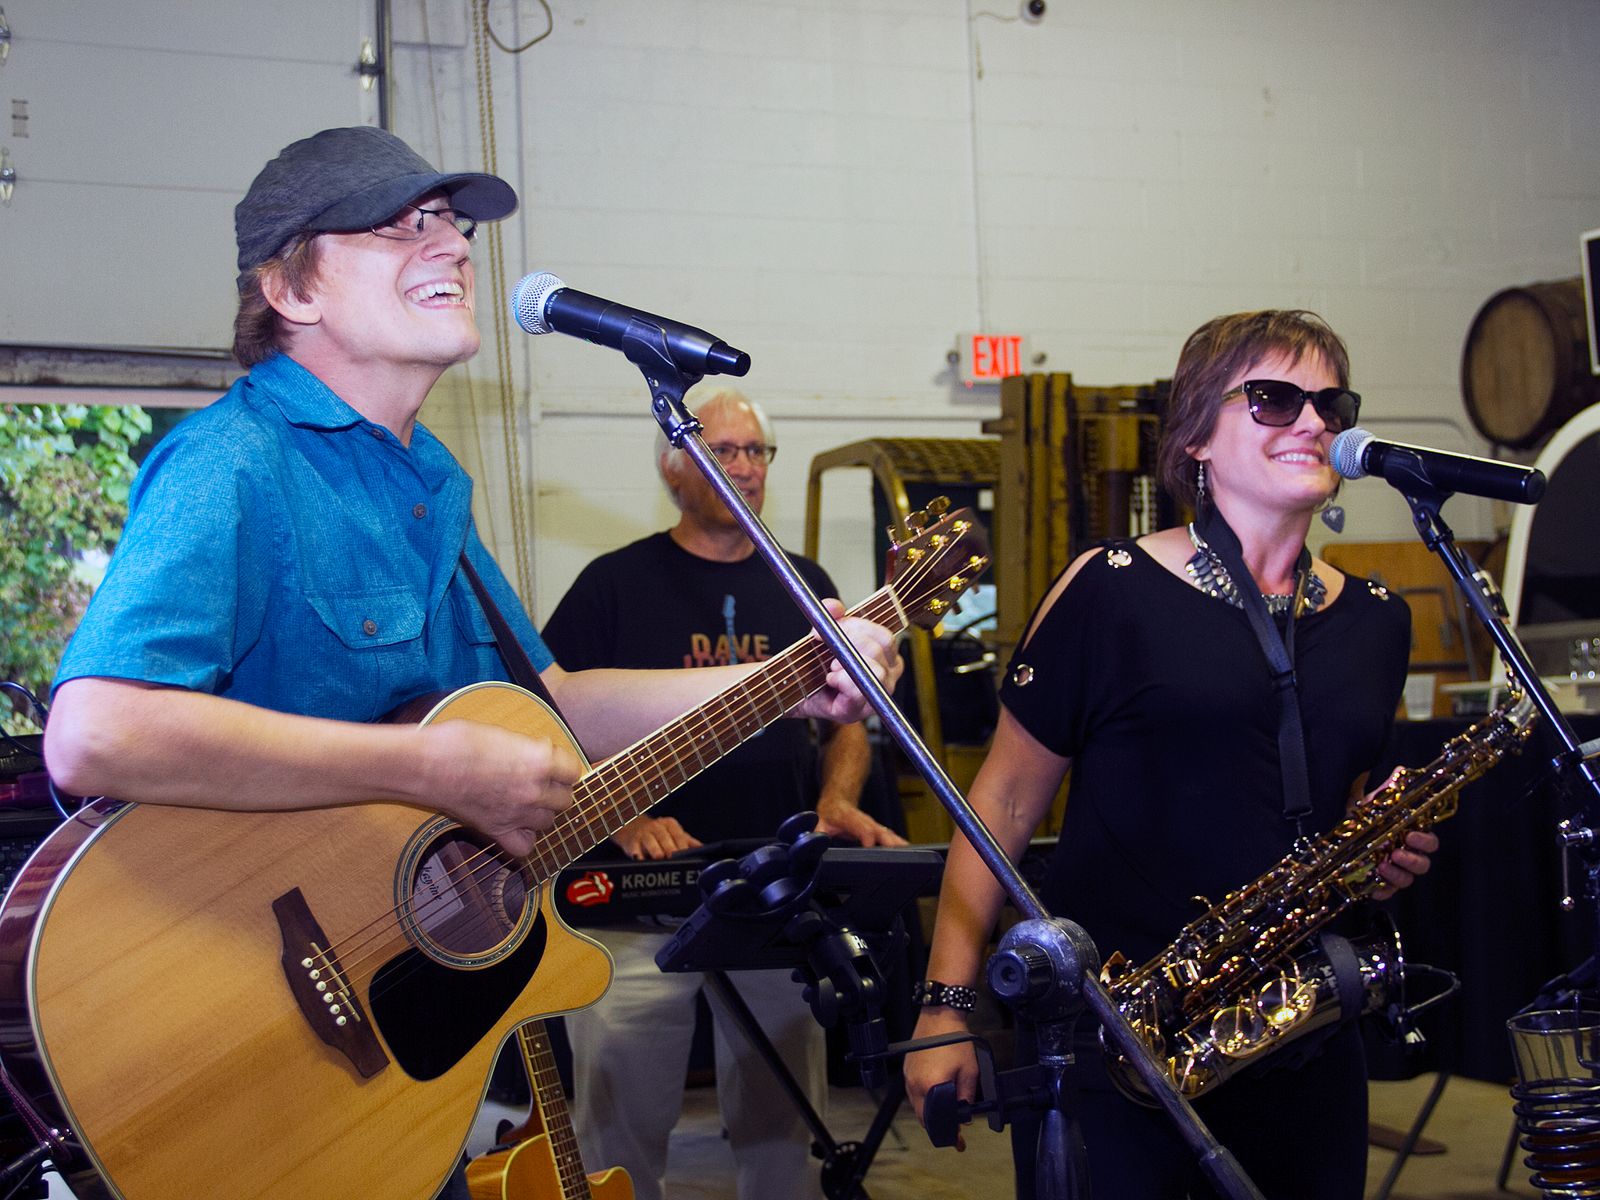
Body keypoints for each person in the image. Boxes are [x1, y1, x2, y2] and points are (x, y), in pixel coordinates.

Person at [41, 127, 900, 1200]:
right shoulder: (235, 462)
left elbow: (555, 703)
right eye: (401, 225)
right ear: (291, 289)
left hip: (391, 1050)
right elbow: (95, 731)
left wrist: (789, 680)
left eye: (451, 224)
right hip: (228, 1001)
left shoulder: (428, 477)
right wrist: (427, 766)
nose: (451, 245)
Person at [902, 310, 1437, 1199]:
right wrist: (946, 1008)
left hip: (1303, 1034)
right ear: (1195, 437)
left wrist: (1377, 860)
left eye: (1330, 404)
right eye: (1274, 399)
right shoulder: (1109, 590)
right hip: (1119, 1036)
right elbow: (999, 806)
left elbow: (1332, 810)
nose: (1313, 421)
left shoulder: (1379, 619)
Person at [541, 387, 907, 1200]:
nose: (744, 467)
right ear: (674, 469)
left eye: (755, 451)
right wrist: (623, 814)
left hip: (775, 891)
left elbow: (849, 720)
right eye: (722, 450)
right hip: (637, 905)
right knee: (618, 1123)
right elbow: (549, 721)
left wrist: (837, 800)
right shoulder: (611, 585)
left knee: (785, 1121)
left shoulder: (805, 582)